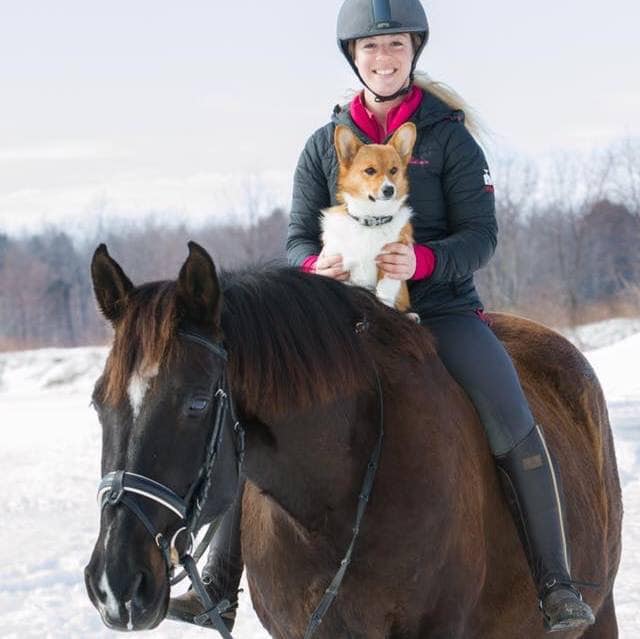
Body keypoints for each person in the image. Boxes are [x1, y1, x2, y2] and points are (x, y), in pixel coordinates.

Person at [170, 0, 595, 632]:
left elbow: (481, 237)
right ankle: (218, 588)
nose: (384, 58)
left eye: (395, 45)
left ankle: (555, 581)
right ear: (353, 57)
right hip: (342, 317)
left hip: (440, 313)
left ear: (414, 52)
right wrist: (317, 270)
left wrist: (421, 261)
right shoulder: (325, 145)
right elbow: (296, 240)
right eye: (371, 48)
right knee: (252, 413)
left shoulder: (448, 138)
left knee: (511, 417)